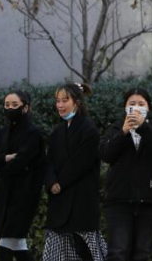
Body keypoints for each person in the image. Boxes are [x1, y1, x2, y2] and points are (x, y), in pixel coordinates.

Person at [100, 87, 152, 261]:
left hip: (148, 200)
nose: (136, 107)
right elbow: (105, 154)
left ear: (148, 108)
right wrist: (123, 132)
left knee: (142, 252)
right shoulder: (116, 127)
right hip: (119, 200)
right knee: (118, 252)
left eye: (141, 104)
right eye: (132, 104)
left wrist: (143, 127)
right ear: (125, 107)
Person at [43, 83, 106, 261]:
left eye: (65, 100)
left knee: (87, 252)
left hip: (81, 203)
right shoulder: (57, 132)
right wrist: (50, 182)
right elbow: (49, 162)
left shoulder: (89, 130)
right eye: (58, 101)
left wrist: (59, 183)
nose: (60, 105)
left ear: (76, 103)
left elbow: (80, 164)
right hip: (60, 202)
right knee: (59, 253)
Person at [0, 90, 46, 261]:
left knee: (7, 239)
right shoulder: (2, 133)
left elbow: (20, 162)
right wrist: (5, 158)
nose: (9, 108)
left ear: (25, 108)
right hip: (5, 194)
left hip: (24, 195)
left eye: (14, 105)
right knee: (17, 244)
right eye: (6, 105)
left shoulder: (32, 134)